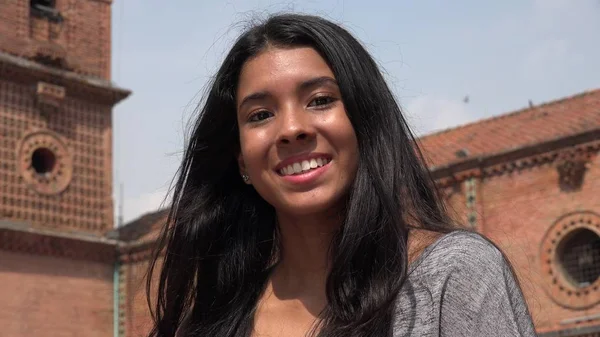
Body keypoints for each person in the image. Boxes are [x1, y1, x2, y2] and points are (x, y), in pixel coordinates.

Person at [147, 14, 536, 337]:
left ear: (365, 124)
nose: (291, 128)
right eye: (260, 115)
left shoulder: (452, 277)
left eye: (320, 100)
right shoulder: (210, 322)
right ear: (242, 161)